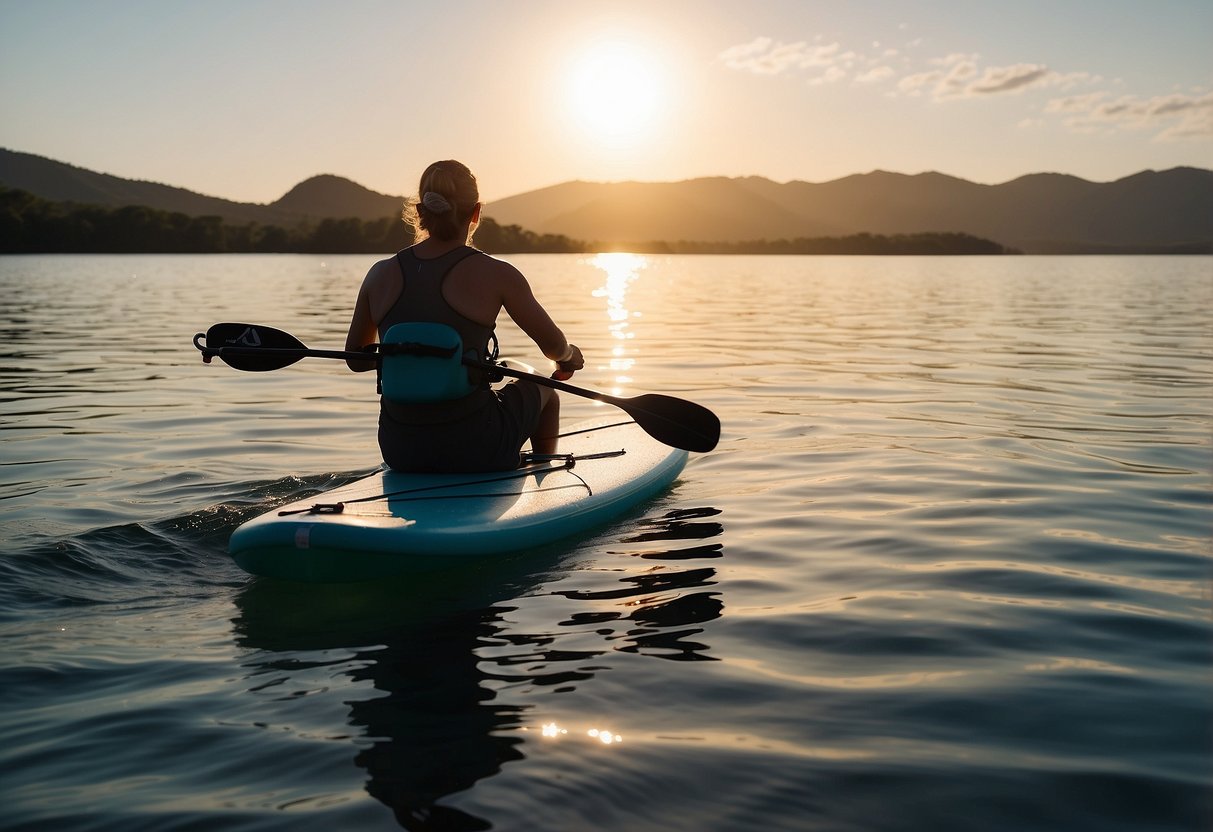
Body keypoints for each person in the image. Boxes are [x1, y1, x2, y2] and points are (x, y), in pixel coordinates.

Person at [345, 160, 584, 473]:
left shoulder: (379, 275)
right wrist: (568, 359)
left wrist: (407, 355)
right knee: (545, 388)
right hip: (476, 446)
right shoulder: (498, 275)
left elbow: (356, 360)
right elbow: (554, 347)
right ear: (476, 213)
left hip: (400, 448)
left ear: (420, 213)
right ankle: (547, 480)